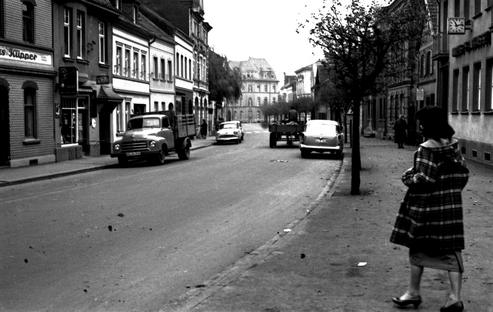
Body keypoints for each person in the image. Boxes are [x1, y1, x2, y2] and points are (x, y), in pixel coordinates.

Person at [390, 106, 469, 312]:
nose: (420, 126)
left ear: (429, 124)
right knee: (452, 251)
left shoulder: (426, 149)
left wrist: (408, 177)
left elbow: (424, 178)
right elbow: (463, 174)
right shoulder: (454, 146)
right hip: (450, 207)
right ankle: (455, 298)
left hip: (426, 209)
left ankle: (413, 293)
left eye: (422, 122)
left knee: (417, 249)